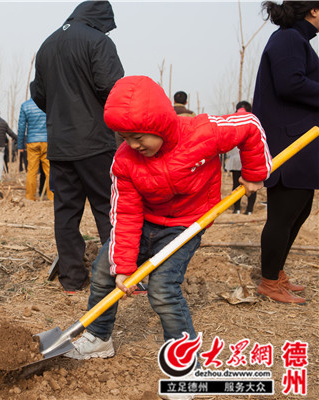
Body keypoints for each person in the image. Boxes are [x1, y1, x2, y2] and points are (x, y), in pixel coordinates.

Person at [65, 75, 270, 363]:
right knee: (103, 272)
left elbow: (248, 126)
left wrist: (254, 173)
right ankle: (99, 337)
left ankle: (184, 361)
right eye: (125, 138)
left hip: (184, 226)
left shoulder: (202, 132)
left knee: (162, 289)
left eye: (139, 137)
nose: (133, 145)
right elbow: (125, 213)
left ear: (159, 123)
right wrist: (123, 266)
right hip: (145, 222)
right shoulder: (125, 162)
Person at [32, 1, 124, 293]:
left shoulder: (46, 45)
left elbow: (39, 94)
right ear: (101, 19)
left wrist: (62, 115)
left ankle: (72, 279)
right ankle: (115, 274)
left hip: (59, 144)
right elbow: (113, 89)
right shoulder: (98, 42)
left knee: (66, 213)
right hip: (95, 142)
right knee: (107, 209)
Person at [253, 1, 319, 305]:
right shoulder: (290, 37)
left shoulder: (296, 39)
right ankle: (268, 281)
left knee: (300, 209)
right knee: (283, 212)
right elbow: (290, 84)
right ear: (314, 11)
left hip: (299, 140)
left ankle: (276, 272)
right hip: (288, 143)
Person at [17, 85, 52, 200]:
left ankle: (30, 197)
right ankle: (52, 197)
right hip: (47, 141)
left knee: (31, 171)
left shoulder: (25, 106)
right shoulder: (48, 104)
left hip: (32, 142)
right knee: (49, 171)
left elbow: (21, 127)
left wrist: (20, 145)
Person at [225, 101, 257, 215]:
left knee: (236, 184)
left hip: (235, 159)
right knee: (251, 185)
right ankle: (249, 210)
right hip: (250, 160)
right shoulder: (253, 121)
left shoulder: (232, 121)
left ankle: (236, 208)